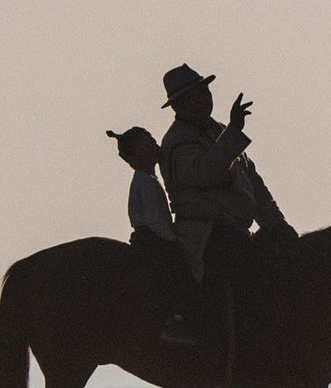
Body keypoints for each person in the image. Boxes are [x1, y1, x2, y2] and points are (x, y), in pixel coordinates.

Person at [156, 65, 295, 319]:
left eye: (204, 91)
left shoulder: (220, 131)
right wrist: (234, 131)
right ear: (179, 105)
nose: (204, 98)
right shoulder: (177, 142)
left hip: (235, 230)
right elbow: (206, 172)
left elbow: (253, 182)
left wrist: (276, 224)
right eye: (195, 94)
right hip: (207, 236)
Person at [105, 126, 199, 344]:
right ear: (131, 158)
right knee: (178, 269)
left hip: (155, 235)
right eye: (146, 145)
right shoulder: (145, 182)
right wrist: (173, 240)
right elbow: (154, 219)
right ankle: (176, 319)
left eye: (152, 141)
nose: (153, 146)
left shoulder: (148, 179)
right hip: (153, 239)